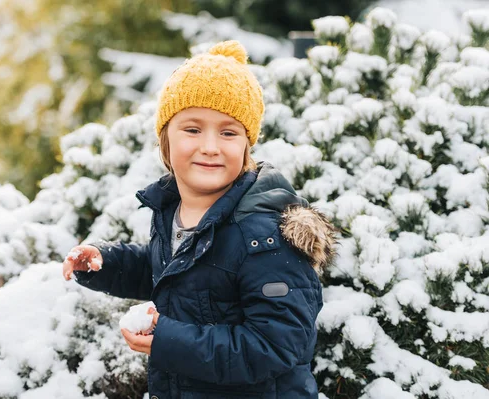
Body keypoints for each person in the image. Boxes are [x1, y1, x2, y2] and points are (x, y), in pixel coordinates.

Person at [62, 40, 337, 399]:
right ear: (166, 141)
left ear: (245, 145)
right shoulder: (173, 211)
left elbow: (276, 345)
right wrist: (104, 262)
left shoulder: (264, 236)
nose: (210, 146)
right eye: (193, 129)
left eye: (228, 132)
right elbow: (172, 277)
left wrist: (170, 340)